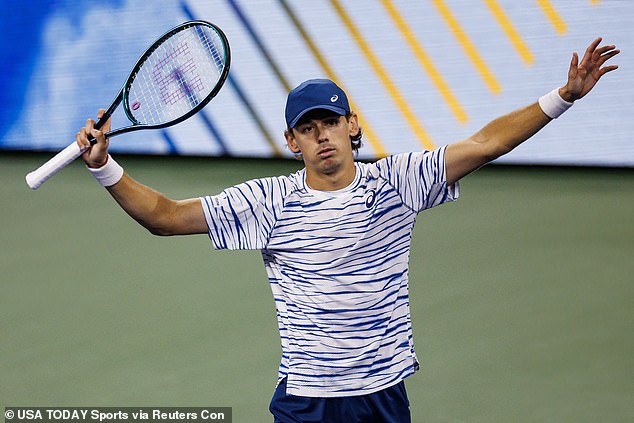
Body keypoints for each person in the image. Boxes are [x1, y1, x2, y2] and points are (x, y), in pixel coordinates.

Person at [76, 38, 618, 422]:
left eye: (330, 123)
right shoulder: (268, 202)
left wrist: (563, 96)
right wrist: (104, 167)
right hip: (306, 402)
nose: (322, 138)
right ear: (294, 143)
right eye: (307, 130)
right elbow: (165, 217)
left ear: (352, 125)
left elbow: (486, 144)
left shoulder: (399, 182)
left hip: (382, 396)